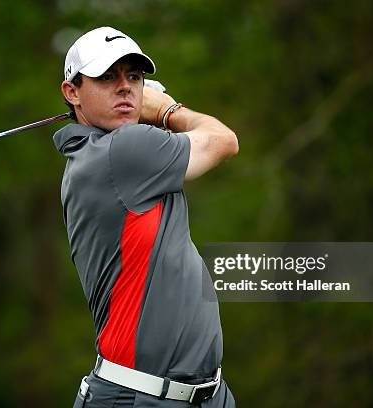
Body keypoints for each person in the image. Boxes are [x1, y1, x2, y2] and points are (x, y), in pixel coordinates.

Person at [53, 26, 238, 407]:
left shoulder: (97, 153)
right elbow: (224, 141)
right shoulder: (124, 151)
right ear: (72, 92)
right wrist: (165, 109)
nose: (125, 87)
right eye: (107, 77)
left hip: (206, 395)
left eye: (134, 77)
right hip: (139, 397)